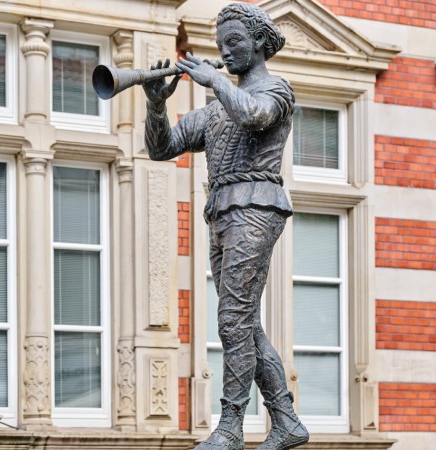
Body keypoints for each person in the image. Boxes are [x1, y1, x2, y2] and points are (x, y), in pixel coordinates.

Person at [142, 3, 309, 450]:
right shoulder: (214, 112)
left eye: (233, 41)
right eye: (220, 44)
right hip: (221, 212)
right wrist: (156, 104)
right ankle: (286, 420)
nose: (225, 51)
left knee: (233, 318)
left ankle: (231, 426)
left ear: (259, 42)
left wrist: (214, 80)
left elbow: (254, 115)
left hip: (256, 206)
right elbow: (161, 148)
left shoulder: (277, 90)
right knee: (244, 322)